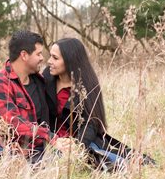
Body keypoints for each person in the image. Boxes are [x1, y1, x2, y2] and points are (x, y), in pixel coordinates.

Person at [43, 37, 155, 171]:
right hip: (53, 140)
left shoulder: (87, 85)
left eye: (55, 58)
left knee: (113, 162)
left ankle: (133, 162)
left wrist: (77, 146)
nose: (49, 61)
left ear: (69, 60)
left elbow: (92, 123)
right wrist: (52, 139)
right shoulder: (47, 78)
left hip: (81, 141)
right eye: (50, 56)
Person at [0, 30, 71, 163]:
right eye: (38, 54)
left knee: (64, 160)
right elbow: (13, 124)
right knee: (8, 161)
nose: (42, 58)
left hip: (32, 148)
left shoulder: (40, 82)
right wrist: (51, 138)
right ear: (24, 55)